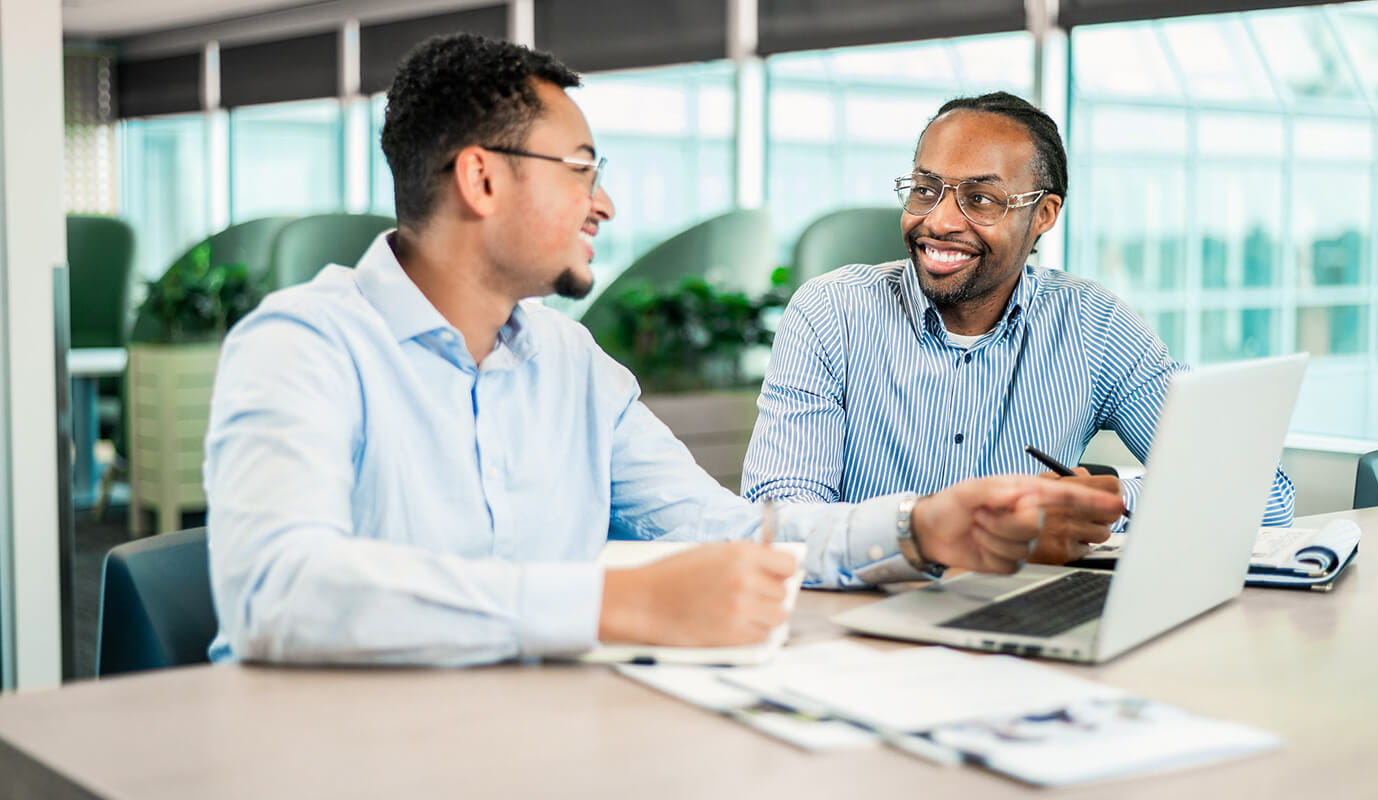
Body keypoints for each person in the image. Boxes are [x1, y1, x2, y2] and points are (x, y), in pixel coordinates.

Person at [203, 37, 1125, 667]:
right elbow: (279, 591)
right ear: (481, 178)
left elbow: (730, 533)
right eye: (581, 169)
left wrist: (920, 530)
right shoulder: (303, 345)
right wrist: (615, 605)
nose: (602, 204)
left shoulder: (573, 369)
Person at [741, 91, 1295, 565]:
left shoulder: (1094, 326)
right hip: (861, 612)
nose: (939, 221)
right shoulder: (830, 312)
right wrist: (930, 535)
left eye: (980, 199)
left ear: (1045, 215)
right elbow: (780, 518)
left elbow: (1264, 494)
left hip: (1017, 612)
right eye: (925, 188)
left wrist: (1114, 501)